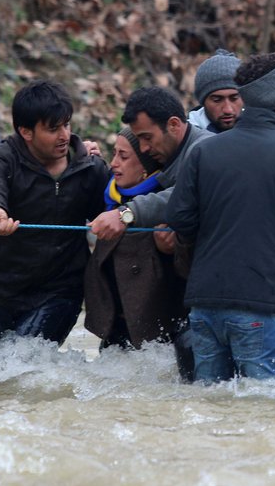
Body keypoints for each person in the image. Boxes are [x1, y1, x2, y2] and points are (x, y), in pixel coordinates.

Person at [167, 53, 275, 383]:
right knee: (266, 415)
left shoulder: (204, 151)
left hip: (204, 306)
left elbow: (179, 218)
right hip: (261, 306)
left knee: (210, 414)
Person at [0, 80, 107, 346]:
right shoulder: (1, 159)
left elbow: (114, 205)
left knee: (19, 362)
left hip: (61, 290)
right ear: (26, 132)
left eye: (66, 125)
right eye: (53, 129)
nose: (64, 135)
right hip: (2, 288)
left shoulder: (89, 167)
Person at [83, 127, 193, 380]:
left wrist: (176, 246)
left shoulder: (167, 208)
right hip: (115, 334)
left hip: (161, 340)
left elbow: (189, 269)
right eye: (113, 154)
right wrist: (81, 156)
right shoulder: (109, 197)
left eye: (123, 156)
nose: (114, 164)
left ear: (145, 167)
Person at [88, 86, 212, 242]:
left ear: (173, 124)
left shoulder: (207, 149)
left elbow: (185, 193)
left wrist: (126, 214)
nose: (143, 148)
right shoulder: (169, 153)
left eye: (147, 137)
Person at [187, 49, 243, 133]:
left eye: (234, 98)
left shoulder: (260, 129)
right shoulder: (185, 137)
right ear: (203, 102)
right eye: (217, 100)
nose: (228, 110)